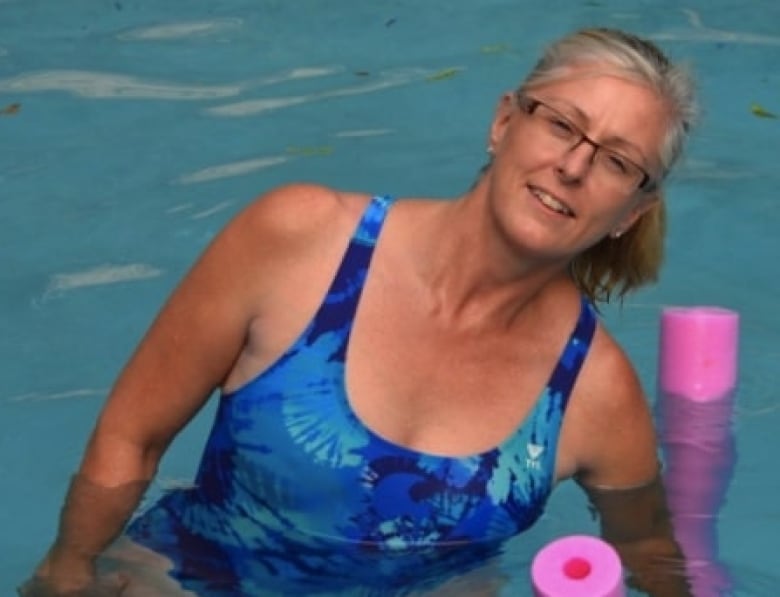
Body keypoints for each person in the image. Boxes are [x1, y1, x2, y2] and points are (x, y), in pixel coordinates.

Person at [22, 26, 699, 596]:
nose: (574, 166)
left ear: (631, 213)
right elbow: (130, 438)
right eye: (560, 124)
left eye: (616, 161)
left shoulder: (594, 390)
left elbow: (647, 549)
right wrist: (70, 568)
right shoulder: (301, 241)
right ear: (503, 122)